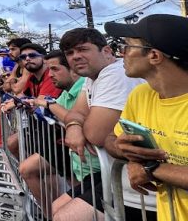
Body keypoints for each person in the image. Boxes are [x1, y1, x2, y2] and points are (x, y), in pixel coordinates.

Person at [52, 28, 149, 221]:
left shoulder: (115, 74)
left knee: (66, 217)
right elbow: (77, 113)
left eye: (83, 50)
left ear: (106, 51)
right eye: (70, 53)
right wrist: (73, 126)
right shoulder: (92, 77)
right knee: (57, 206)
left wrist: (79, 126)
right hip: (117, 173)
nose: (75, 57)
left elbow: (96, 134)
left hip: (138, 179)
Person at [103, 15, 188, 221]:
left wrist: (150, 168)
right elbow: (110, 139)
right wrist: (125, 150)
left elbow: (150, 168)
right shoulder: (142, 95)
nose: (121, 53)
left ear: (154, 56)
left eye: (127, 46)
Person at [19, 50, 91, 214]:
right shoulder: (67, 90)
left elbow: (72, 118)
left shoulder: (86, 87)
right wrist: (37, 104)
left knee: (69, 207)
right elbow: (48, 109)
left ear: (73, 69)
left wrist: (48, 105)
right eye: (49, 69)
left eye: (55, 69)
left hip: (93, 165)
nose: (50, 75)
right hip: (74, 158)